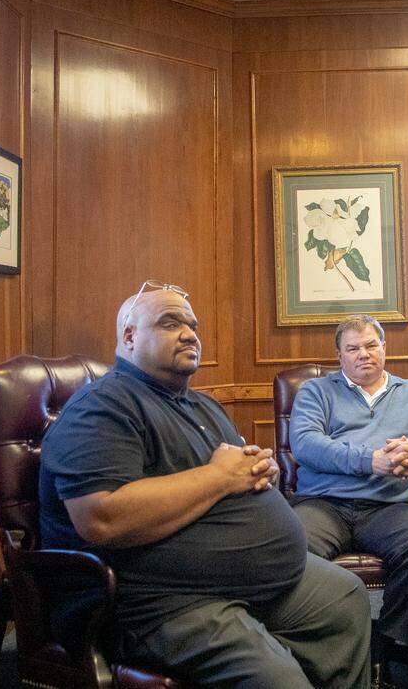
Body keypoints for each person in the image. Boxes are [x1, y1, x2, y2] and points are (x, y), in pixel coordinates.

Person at [38, 281, 371, 688]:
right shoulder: (104, 406)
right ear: (129, 336)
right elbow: (101, 517)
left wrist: (259, 472)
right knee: (278, 679)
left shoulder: (203, 405)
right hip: (155, 601)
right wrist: (220, 476)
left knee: (345, 597)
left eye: (192, 326)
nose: (189, 334)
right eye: (170, 323)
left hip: (244, 579)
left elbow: (235, 474)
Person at [288, 314, 408, 671]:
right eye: (353, 349)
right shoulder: (317, 392)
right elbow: (306, 444)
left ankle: (396, 639)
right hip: (324, 504)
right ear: (339, 356)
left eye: (371, 345)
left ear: (384, 348)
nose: (364, 354)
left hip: (388, 507)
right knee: (291, 548)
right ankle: (326, 637)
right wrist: (370, 460)